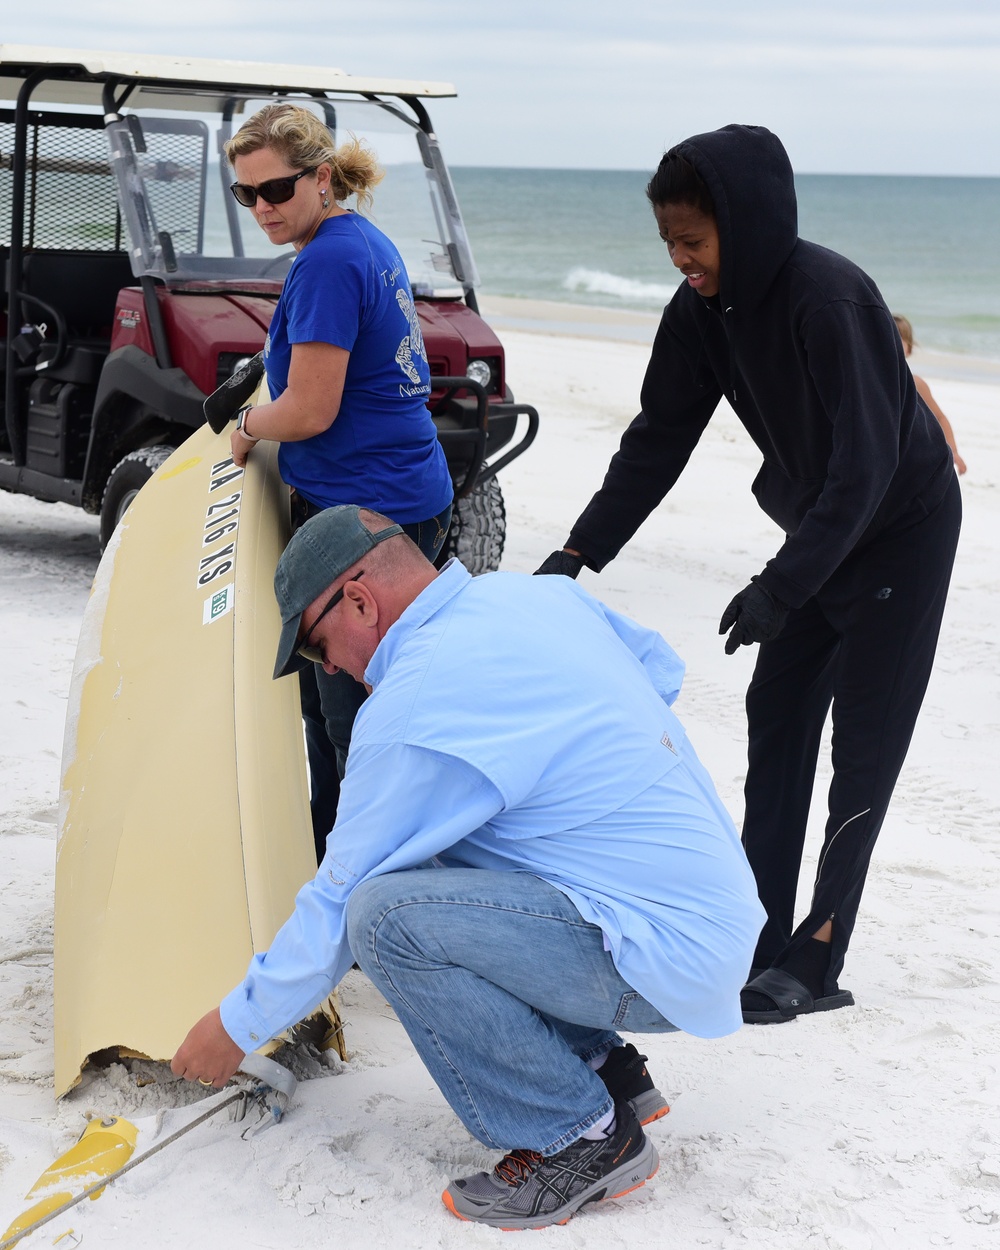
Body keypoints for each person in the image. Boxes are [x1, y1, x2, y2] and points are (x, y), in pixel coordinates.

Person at [172, 506, 765, 1230]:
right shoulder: (541, 596)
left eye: (319, 646)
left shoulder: (413, 701)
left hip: (659, 955)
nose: (327, 667)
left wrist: (233, 1026)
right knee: (459, 835)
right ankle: (605, 1071)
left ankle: (580, 1136)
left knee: (385, 919)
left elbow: (339, 902)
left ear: (360, 599)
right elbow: (658, 673)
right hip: (713, 913)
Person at [537, 125, 962, 1025]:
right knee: (776, 718)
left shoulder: (830, 301)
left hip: (900, 531)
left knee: (865, 748)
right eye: (668, 243)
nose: (681, 259)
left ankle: (817, 953)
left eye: (694, 240)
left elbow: (866, 467)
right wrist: (578, 553)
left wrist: (780, 584)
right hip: (820, 530)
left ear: (750, 222)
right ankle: (760, 930)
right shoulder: (698, 315)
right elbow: (657, 441)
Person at [224, 103, 454, 858]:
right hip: (405, 496)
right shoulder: (356, 239)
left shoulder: (325, 260)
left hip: (368, 513)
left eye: (277, 190)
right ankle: (333, 857)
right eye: (245, 195)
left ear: (322, 178)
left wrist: (250, 428)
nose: (262, 208)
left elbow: (313, 409)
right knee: (349, 707)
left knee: (351, 717)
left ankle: (359, 884)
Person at [893, 314, 967, 474]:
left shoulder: (916, 383)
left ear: (910, 348)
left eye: (899, 336)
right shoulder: (869, 382)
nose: (893, 341)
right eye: (888, 335)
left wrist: (953, 451)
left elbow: (940, 417)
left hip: (912, 458)